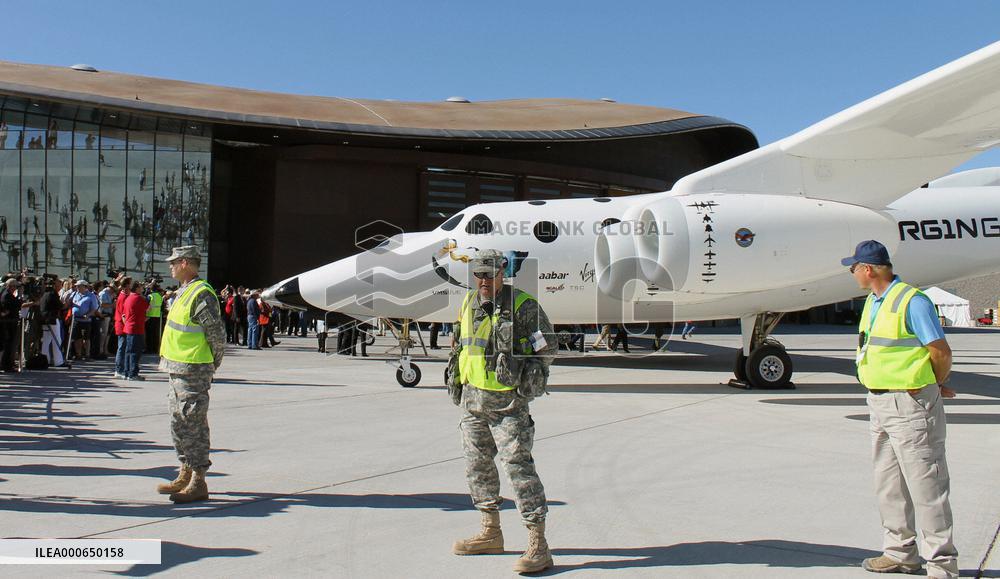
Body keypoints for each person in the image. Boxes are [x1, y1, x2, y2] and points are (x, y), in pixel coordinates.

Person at [842, 240, 958, 578]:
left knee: (927, 485)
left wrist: (933, 384)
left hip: (910, 403)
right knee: (889, 483)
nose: (852, 273)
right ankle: (900, 553)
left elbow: (940, 351)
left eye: (854, 267)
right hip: (879, 401)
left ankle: (941, 565)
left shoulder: (912, 301)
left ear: (868, 269)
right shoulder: (873, 301)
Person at [447, 249, 557, 574]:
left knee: (518, 468)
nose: (483, 280)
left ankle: (538, 544)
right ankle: (490, 531)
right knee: (477, 467)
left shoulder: (522, 305)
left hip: (508, 404)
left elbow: (548, 347)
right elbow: (460, 344)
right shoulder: (468, 302)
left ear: (501, 274)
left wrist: (526, 371)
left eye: (489, 275)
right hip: (473, 402)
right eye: (478, 275)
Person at [156, 245, 226, 503]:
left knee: (193, 422)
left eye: (173, 262)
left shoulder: (201, 293)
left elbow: (216, 335)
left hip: (193, 368)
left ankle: (198, 479)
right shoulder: (183, 291)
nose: (170, 267)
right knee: (178, 421)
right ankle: (185, 470)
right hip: (176, 367)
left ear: (185, 263)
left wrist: (211, 364)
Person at [123, 280, 148, 380]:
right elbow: (148, 307)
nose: (142, 289)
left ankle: (127, 372)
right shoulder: (138, 298)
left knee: (129, 351)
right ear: (137, 288)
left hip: (129, 327)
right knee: (135, 352)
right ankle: (133, 373)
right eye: (141, 287)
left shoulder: (129, 298)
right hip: (136, 328)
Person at [70, 280, 98, 361]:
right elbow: (69, 303)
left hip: (86, 320)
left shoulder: (91, 295)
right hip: (75, 319)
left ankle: (87, 355)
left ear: (84, 286)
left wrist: (88, 315)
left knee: (86, 338)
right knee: (77, 338)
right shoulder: (74, 294)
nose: (77, 287)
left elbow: (94, 308)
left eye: (79, 286)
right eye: (77, 286)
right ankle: (78, 354)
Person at [0, 278, 22, 372]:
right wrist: (19, 296)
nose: (15, 288)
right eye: (14, 286)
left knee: (9, 344)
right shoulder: (6, 295)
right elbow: (16, 304)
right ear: (10, 286)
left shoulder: (7, 294)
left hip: (10, 322)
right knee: (9, 345)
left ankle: (7, 364)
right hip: (8, 323)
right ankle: (6, 365)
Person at [113, 277, 132, 379]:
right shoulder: (123, 297)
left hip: (123, 325)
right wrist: (127, 326)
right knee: (122, 347)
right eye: (130, 284)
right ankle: (119, 370)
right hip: (122, 325)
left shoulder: (125, 295)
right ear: (127, 285)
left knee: (124, 347)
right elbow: (123, 314)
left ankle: (122, 369)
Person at [145, 282, 164, 354]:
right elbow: (162, 307)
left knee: (149, 333)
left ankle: (149, 349)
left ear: (151, 289)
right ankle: (156, 349)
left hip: (149, 316)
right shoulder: (160, 296)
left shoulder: (150, 296)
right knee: (156, 333)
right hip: (157, 316)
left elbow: (145, 305)